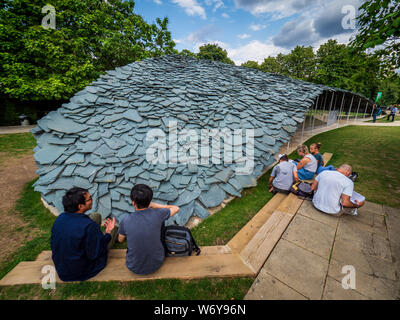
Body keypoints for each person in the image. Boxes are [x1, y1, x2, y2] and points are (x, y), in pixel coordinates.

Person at [51, 187, 118, 282]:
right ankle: (113, 232)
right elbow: (94, 254)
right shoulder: (90, 226)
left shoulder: (59, 219)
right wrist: (108, 233)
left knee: (96, 216)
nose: (92, 200)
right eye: (89, 199)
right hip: (82, 271)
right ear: (80, 206)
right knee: (114, 228)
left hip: (62, 269)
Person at [118, 184, 180, 275]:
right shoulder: (158, 214)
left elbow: (120, 240)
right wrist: (156, 205)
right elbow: (176, 208)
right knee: (161, 225)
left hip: (133, 266)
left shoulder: (126, 219)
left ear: (133, 203)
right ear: (149, 201)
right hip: (157, 263)